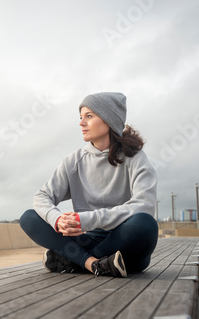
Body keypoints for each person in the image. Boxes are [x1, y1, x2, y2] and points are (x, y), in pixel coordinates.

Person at [20, 92, 158, 277]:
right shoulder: (74, 161)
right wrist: (58, 220)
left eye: (89, 116)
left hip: (122, 243)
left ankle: (74, 260)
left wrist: (83, 220)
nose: (81, 123)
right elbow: (42, 196)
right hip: (84, 240)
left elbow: (145, 205)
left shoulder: (135, 159)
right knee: (29, 217)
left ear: (109, 121)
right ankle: (94, 264)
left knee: (144, 224)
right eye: (80, 117)